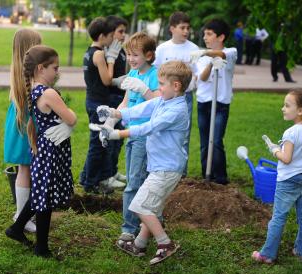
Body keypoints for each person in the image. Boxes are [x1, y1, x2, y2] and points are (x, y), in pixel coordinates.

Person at [95, 60, 192, 265]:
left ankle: (165, 243)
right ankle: (138, 244)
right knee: (152, 207)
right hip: (161, 166)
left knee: (140, 206)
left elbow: (150, 127)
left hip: (167, 168)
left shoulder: (177, 110)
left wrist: (118, 134)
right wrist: (116, 113)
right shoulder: (164, 101)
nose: (158, 88)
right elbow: (141, 109)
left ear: (176, 86)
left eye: (161, 84)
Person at [5, 45, 77, 258]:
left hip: (45, 148)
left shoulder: (34, 88)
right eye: (55, 68)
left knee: (41, 193)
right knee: (44, 196)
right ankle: (41, 248)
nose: (58, 72)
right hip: (51, 150)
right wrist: (70, 120)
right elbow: (72, 118)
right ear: (40, 68)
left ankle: (17, 229)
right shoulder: (49, 93)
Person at [101, 32, 160, 249]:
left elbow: (159, 103)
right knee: (139, 182)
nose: (131, 58)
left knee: (135, 184)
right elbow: (125, 103)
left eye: (135, 54)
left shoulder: (154, 75)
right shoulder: (132, 72)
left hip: (146, 136)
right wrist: (109, 122)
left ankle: (129, 229)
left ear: (149, 55)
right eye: (128, 54)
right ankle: (149, 222)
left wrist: (144, 90)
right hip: (131, 135)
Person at [252, 89, 302, 264]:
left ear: (301, 110)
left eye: (287, 105)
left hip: (288, 180)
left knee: (279, 217)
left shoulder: (290, 133)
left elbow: (286, 159)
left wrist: (274, 149)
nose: (283, 108)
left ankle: (267, 254)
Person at [79, 17, 123, 194]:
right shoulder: (99, 54)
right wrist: (111, 59)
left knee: (99, 143)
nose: (112, 39)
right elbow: (107, 80)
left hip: (92, 100)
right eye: (111, 35)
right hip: (98, 103)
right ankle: (90, 183)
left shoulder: (89, 51)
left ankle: (91, 179)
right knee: (98, 145)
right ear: (103, 36)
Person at [190, 19, 237, 185]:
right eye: (204, 34)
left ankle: (221, 179)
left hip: (221, 104)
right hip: (204, 103)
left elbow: (222, 56)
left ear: (221, 37)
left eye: (209, 34)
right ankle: (206, 176)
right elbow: (202, 78)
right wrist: (209, 62)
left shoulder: (231, 52)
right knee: (204, 142)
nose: (205, 37)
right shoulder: (202, 56)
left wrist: (208, 54)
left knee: (216, 140)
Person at [4, 29, 42, 234]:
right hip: (27, 123)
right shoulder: (31, 72)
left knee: (24, 169)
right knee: (26, 169)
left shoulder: (16, 68)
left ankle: (22, 211)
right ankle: (21, 214)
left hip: (19, 121)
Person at [152, 11, 199, 177]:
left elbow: (197, 74)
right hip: (164, 97)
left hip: (184, 98)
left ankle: (181, 173)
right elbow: (156, 72)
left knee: (182, 135)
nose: (186, 31)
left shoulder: (193, 49)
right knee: (162, 131)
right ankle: (162, 169)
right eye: (182, 27)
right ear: (172, 28)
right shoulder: (162, 49)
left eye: (188, 28)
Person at [104, 15, 128, 185]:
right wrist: (115, 81)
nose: (123, 35)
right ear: (111, 33)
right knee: (111, 138)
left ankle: (113, 170)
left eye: (124, 32)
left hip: (121, 96)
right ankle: (107, 175)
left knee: (119, 139)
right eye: (120, 32)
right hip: (111, 97)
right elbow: (104, 79)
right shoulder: (106, 52)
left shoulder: (120, 49)